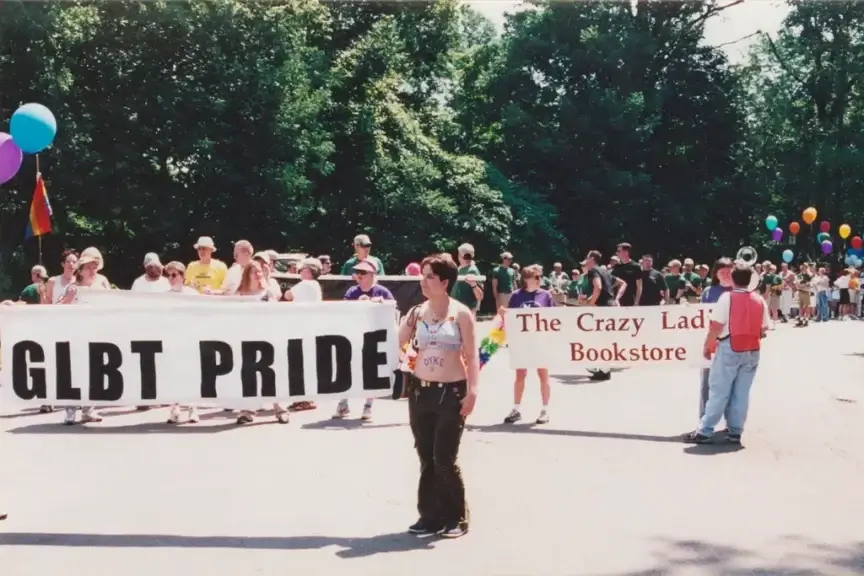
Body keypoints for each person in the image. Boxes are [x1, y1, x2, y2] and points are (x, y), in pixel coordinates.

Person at [400, 253, 477, 539]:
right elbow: (397, 341)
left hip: (451, 391)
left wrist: (473, 391)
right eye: (423, 274)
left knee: (444, 457)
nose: (423, 280)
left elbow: (471, 356)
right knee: (425, 456)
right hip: (421, 391)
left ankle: (456, 517)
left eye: (430, 276)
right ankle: (429, 516)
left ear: (445, 282)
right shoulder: (417, 312)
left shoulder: (461, 313)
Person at [685, 263, 769, 445]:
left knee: (719, 391)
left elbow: (716, 326)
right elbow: (764, 329)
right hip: (753, 349)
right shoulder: (759, 300)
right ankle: (735, 431)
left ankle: (706, 430)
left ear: (732, 278)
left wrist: (708, 346)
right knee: (742, 392)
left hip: (730, 346)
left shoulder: (727, 298)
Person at [334, 260, 395, 420]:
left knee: (371, 373)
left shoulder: (382, 291)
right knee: (348, 370)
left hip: (374, 337)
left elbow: (393, 309)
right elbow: (343, 311)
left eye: (363, 273)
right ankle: (343, 403)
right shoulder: (352, 291)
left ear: (372, 275)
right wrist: (357, 304)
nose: (359, 276)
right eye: (357, 273)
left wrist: (380, 304)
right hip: (354, 336)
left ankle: (368, 405)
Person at [501, 265, 555, 425]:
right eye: (536, 277)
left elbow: (554, 318)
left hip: (540, 341)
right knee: (520, 375)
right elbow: (510, 318)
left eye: (540, 277)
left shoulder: (546, 295)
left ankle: (545, 409)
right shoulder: (517, 296)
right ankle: (516, 408)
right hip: (522, 342)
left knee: (543, 374)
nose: (540, 280)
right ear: (526, 279)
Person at [59, 250, 109, 425]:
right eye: (89, 267)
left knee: (95, 373)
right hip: (75, 336)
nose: (92, 270)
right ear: (80, 269)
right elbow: (56, 308)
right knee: (74, 373)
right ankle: (70, 410)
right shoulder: (72, 287)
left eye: (95, 267)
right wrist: (69, 299)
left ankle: (89, 409)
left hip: (96, 335)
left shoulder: (102, 283)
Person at [697, 257, 734, 419]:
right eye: (722, 272)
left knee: (731, 384)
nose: (725, 275)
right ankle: (704, 420)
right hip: (711, 343)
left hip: (732, 344)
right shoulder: (708, 292)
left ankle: (730, 420)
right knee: (707, 382)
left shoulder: (739, 291)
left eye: (729, 272)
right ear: (716, 274)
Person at [582, 250, 626, 382]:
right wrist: (615, 297)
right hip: (610, 306)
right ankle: (604, 370)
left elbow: (598, 287)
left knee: (598, 339)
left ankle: (602, 369)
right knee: (604, 340)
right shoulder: (605, 271)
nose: (586, 259)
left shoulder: (593, 271)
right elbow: (622, 283)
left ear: (592, 258)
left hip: (603, 309)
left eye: (587, 257)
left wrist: (590, 303)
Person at [450, 243, 484, 315]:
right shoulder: (459, 269)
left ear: (460, 255)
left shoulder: (472, 270)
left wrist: (474, 285)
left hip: (466, 309)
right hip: (457, 308)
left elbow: (480, 296)